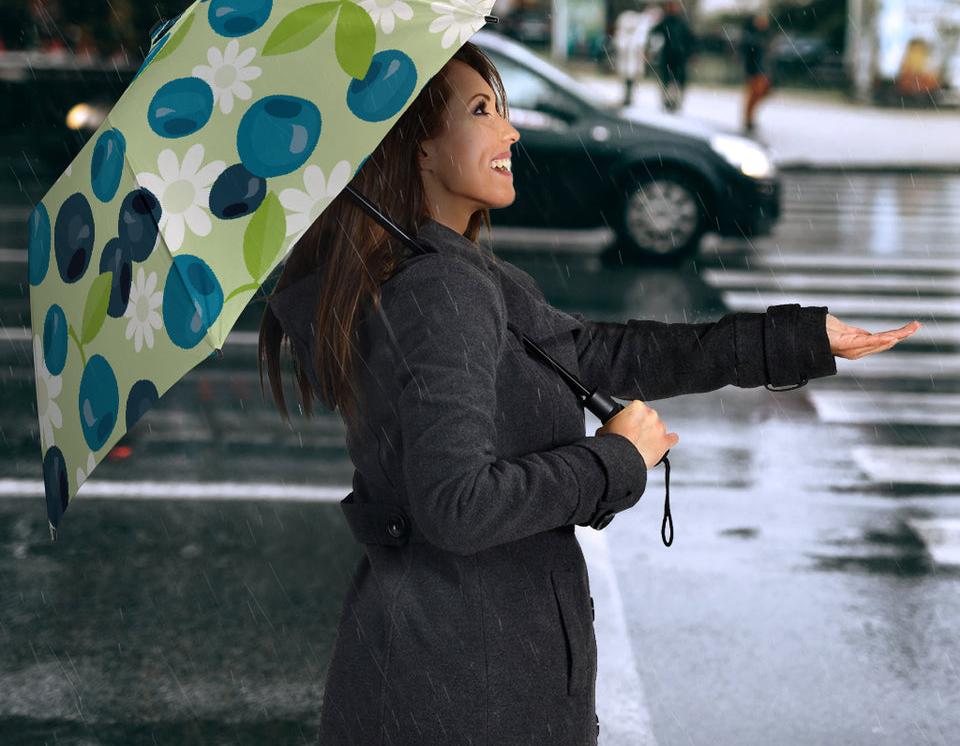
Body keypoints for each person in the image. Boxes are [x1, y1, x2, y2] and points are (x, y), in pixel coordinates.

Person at [259, 42, 919, 746]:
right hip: (466, 689)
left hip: (452, 670)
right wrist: (613, 459)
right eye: (482, 111)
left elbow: (603, 353)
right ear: (417, 149)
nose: (510, 131)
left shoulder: (451, 274)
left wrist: (796, 340)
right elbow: (456, 506)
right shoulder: (439, 290)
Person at [648, 0, 695, 113]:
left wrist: (690, 53)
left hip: (679, 57)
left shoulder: (681, 23)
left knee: (677, 81)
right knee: (667, 80)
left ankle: (675, 102)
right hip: (668, 56)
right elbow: (654, 35)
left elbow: (690, 39)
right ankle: (667, 101)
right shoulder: (665, 22)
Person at [741, 12, 772, 132]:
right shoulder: (750, 36)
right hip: (754, 70)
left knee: (762, 92)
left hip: (763, 69)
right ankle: (748, 119)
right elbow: (750, 51)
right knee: (754, 94)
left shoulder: (763, 35)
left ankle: (750, 117)